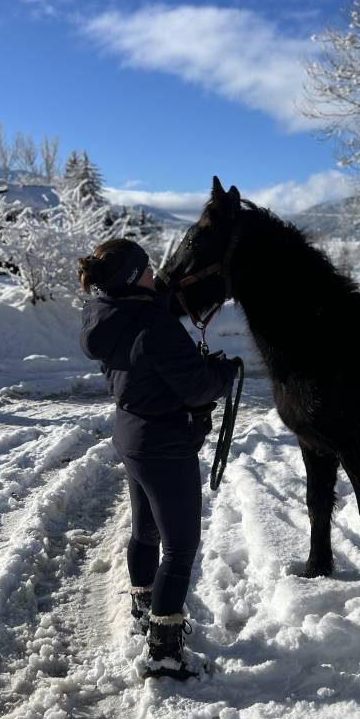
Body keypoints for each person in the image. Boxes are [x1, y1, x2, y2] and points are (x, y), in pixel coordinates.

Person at [78, 238, 237, 680]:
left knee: (145, 532)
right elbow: (198, 387)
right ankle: (164, 653)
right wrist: (224, 372)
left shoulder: (105, 315)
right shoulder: (154, 324)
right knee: (181, 547)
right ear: (134, 277)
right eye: (147, 269)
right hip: (165, 443)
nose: (155, 274)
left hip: (131, 433)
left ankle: (145, 608)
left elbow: (150, 359)